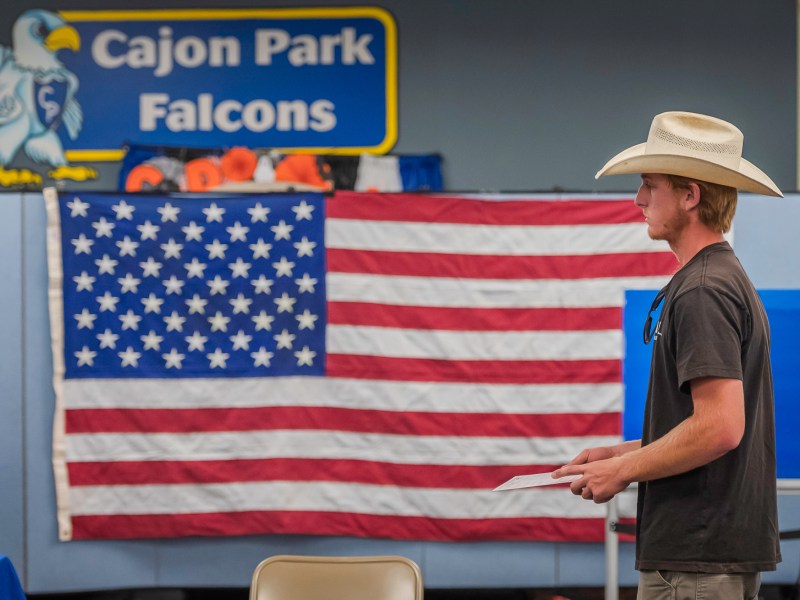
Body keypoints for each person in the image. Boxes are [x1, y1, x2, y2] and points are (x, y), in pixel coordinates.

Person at [553, 111, 782, 599]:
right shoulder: (719, 278)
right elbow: (707, 425)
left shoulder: (703, 290)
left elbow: (720, 428)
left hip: (696, 562)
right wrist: (618, 453)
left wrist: (619, 471)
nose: (638, 199)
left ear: (690, 195)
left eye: (649, 185)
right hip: (706, 555)